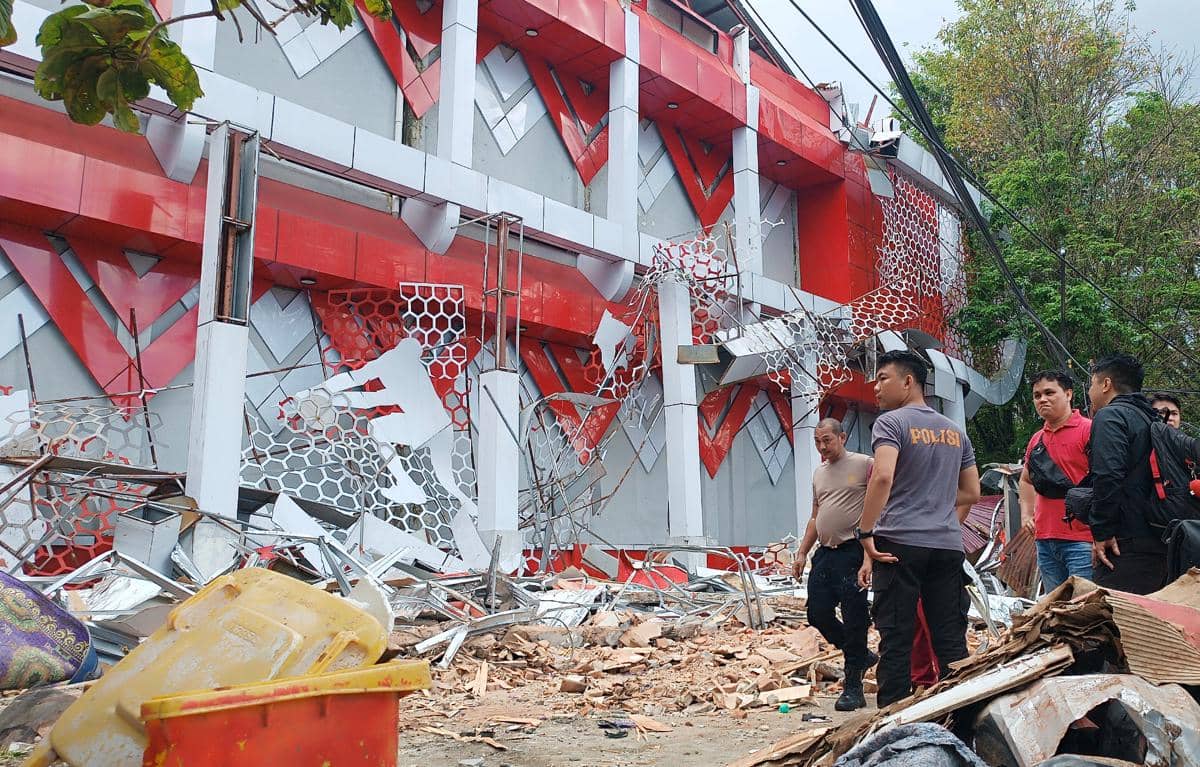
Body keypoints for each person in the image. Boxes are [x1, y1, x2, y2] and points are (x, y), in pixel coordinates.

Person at [856, 350, 980, 708]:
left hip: (899, 543)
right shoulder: (955, 432)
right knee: (950, 639)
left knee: (897, 636)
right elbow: (971, 492)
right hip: (946, 546)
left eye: (882, 378)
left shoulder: (891, 423)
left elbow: (882, 476)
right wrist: (938, 504)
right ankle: (964, 717)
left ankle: (894, 724)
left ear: (908, 381)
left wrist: (866, 533)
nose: (875, 387)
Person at [793, 418, 877, 711]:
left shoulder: (864, 465)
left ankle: (854, 687)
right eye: (818, 441)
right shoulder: (819, 474)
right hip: (825, 553)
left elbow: (879, 508)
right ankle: (861, 655)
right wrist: (803, 552)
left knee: (855, 619)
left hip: (853, 550)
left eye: (827, 440)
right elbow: (816, 516)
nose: (822, 447)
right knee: (817, 613)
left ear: (842, 437)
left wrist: (870, 555)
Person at [1087, 354, 1166, 594]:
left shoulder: (1110, 416)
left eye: (1092, 384)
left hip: (1124, 543)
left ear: (1106, 384)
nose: (1090, 392)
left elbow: (1108, 475)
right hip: (1159, 536)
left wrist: (1102, 531)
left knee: (1119, 622)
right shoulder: (1152, 419)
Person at [1018, 370, 1093, 592]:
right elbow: (1026, 480)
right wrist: (1026, 515)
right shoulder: (1036, 439)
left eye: (1049, 392)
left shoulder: (1089, 430)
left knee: (1085, 610)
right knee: (1055, 610)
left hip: (1083, 539)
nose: (1042, 399)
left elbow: (1108, 481)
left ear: (1068, 394)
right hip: (1045, 539)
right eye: (1037, 395)